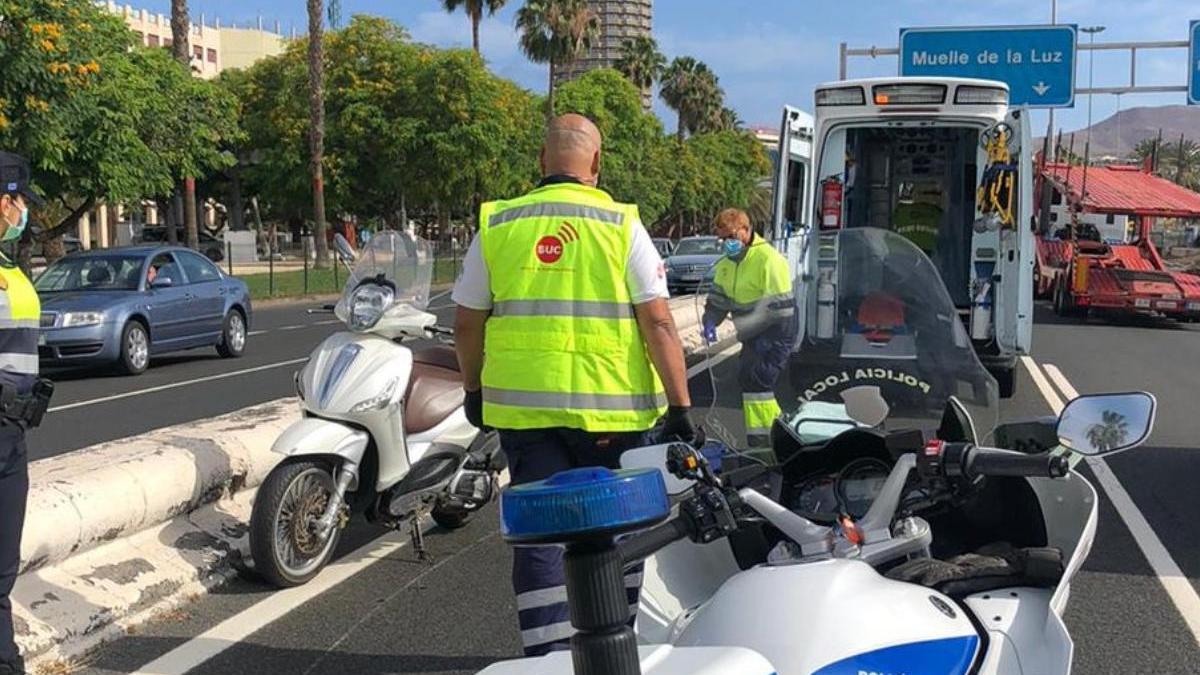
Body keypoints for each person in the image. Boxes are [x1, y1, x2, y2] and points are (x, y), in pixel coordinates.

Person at [452, 113, 696, 656]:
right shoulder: (620, 225)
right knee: (618, 526)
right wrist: (681, 405)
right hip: (616, 416)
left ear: (541, 161)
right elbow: (658, 322)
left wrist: (474, 391)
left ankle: (548, 658)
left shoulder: (497, 225)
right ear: (596, 164)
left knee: (542, 532)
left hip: (527, 418)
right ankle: (612, 644)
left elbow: (467, 323)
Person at [0, 152, 54, 675]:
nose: (24, 213)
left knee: (1, 574)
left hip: (12, 432)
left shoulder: (9, 266)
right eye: (18, 202)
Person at [701, 208, 794, 455]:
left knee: (758, 383)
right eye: (722, 239)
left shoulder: (769, 260)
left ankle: (776, 440)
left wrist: (762, 336)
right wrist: (710, 321)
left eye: (732, 237)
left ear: (746, 229)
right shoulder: (727, 264)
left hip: (773, 335)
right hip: (752, 335)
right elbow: (718, 298)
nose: (727, 243)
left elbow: (781, 310)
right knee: (750, 382)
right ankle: (764, 442)